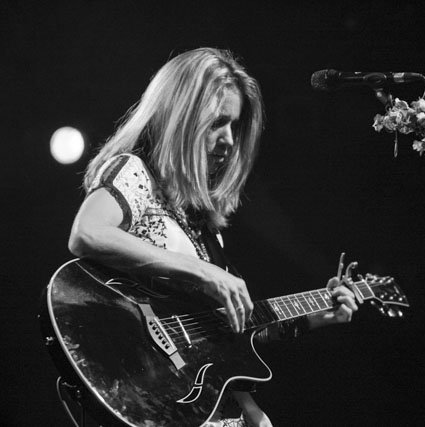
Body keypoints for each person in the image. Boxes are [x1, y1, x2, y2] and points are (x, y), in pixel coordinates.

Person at [68, 47, 358, 427]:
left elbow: (220, 341)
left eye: (234, 127)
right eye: (218, 122)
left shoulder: (202, 226)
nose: (229, 141)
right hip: (146, 396)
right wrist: (203, 272)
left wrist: (314, 317)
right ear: (181, 116)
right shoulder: (134, 171)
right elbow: (87, 233)